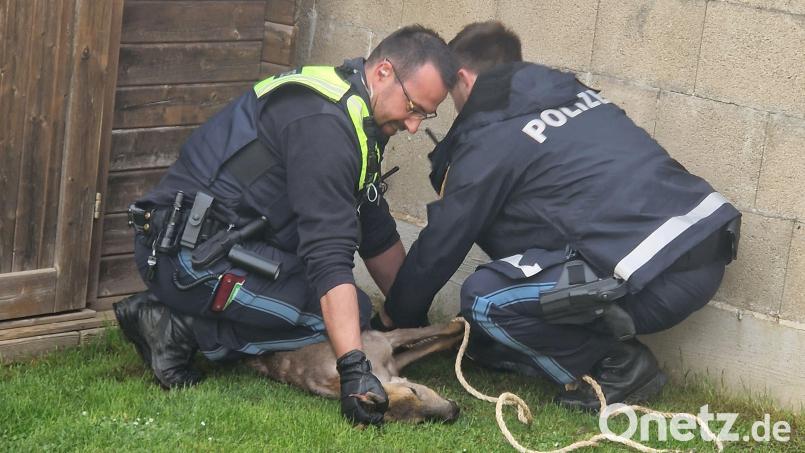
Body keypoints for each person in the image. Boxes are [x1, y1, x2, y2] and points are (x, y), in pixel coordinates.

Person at [378, 21, 740, 411]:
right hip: (702, 249)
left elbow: (442, 243)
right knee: (517, 269)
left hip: (657, 280)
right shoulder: (568, 93)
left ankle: (618, 366)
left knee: (485, 299)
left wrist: (397, 320)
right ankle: (513, 343)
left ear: (462, 78)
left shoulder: (492, 133)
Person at [113, 25, 458, 426]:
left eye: (425, 115)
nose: (414, 125)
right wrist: (353, 370)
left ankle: (188, 322)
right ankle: (181, 327)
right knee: (349, 317)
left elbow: (374, 226)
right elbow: (329, 256)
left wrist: (409, 314)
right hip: (189, 260)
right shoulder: (324, 126)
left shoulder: (354, 111)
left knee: (351, 312)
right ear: (383, 72)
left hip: (227, 247)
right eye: (413, 107)